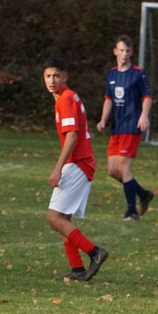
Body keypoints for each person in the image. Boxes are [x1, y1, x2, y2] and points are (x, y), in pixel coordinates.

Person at [43, 57, 108, 282]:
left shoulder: (66, 99)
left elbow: (72, 135)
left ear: (65, 76)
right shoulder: (66, 98)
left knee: (53, 217)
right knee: (63, 217)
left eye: (56, 76)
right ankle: (77, 269)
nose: (52, 80)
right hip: (82, 162)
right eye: (48, 76)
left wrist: (58, 168)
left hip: (78, 162)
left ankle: (94, 251)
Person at [96, 36, 154, 222]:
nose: (124, 54)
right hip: (117, 127)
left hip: (132, 125)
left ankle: (131, 211)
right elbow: (108, 99)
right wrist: (103, 119)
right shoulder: (111, 74)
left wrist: (143, 115)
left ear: (131, 52)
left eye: (127, 51)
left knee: (124, 167)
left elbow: (147, 97)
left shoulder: (137, 73)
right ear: (115, 52)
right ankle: (143, 194)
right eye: (121, 50)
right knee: (113, 171)